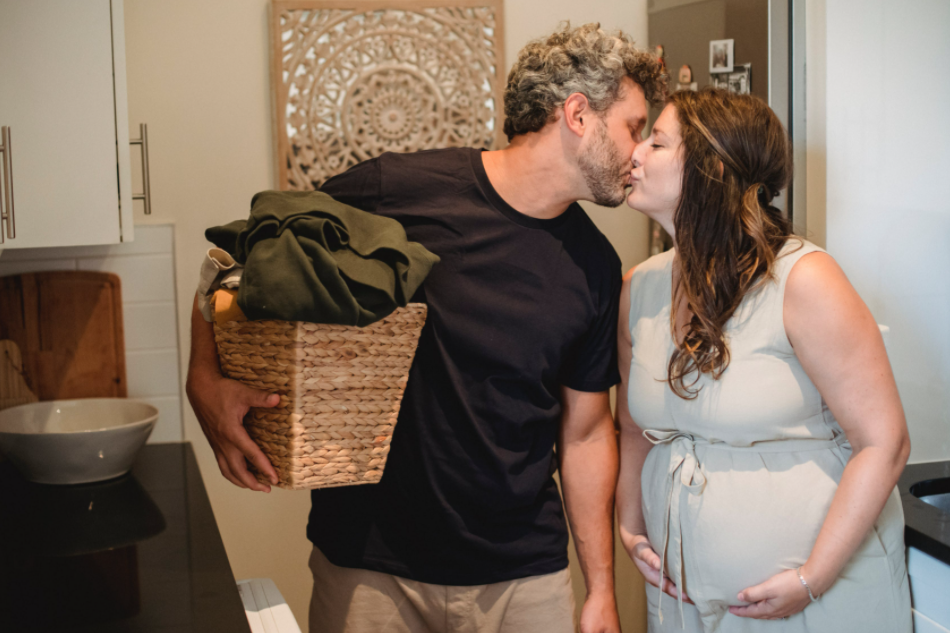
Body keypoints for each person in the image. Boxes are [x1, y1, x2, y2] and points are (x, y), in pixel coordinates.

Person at [186, 23, 665, 633]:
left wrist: (600, 589)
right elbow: (240, 261)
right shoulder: (398, 190)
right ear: (577, 114)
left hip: (523, 579)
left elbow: (587, 433)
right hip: (369, 567)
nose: (639, 152)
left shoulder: (594, 265)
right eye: (633, 128)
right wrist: (203, 379)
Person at [615, 86, 912, 632]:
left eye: (656, 143)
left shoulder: (804, 280)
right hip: (684, 604)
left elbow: (884, 442)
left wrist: (812, 578)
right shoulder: (641, 287)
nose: (634, 153)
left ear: (711, 169)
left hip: (817, 601)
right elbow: (635, 430)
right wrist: (630, 526)